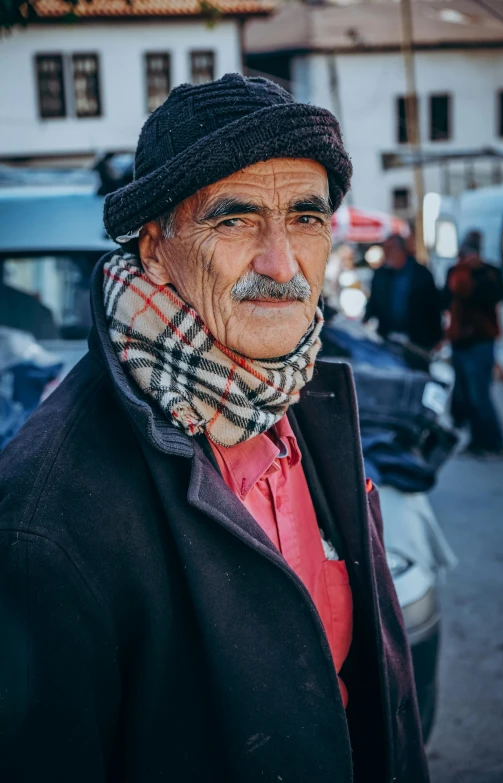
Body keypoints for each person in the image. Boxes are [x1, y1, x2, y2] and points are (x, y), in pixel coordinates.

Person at [0, 75, 428, 782]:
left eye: (306, 218)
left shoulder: (301, 397)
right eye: (233, 220)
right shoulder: (45, 518)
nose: (281, 264)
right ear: (154, 248)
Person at [443, 232, 503, 456]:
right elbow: (447, 299)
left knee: (480, 393)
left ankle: (494, 440)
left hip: (480, 340)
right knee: (466, 394)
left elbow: (493, 296)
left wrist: (475, 275)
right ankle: (477, 440)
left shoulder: (489, 273)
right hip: (461, 339)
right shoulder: (456, 272)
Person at [364, 233, 442, 352]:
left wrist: (437, 337)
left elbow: (433, 307)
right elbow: (374, 301)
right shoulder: (380, 274)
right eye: (385, 249)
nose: (386, 253)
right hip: (388, 338)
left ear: (400, 250)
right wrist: (365, 319)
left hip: (418, 340)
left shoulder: (421, 274)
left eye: (390, 249)